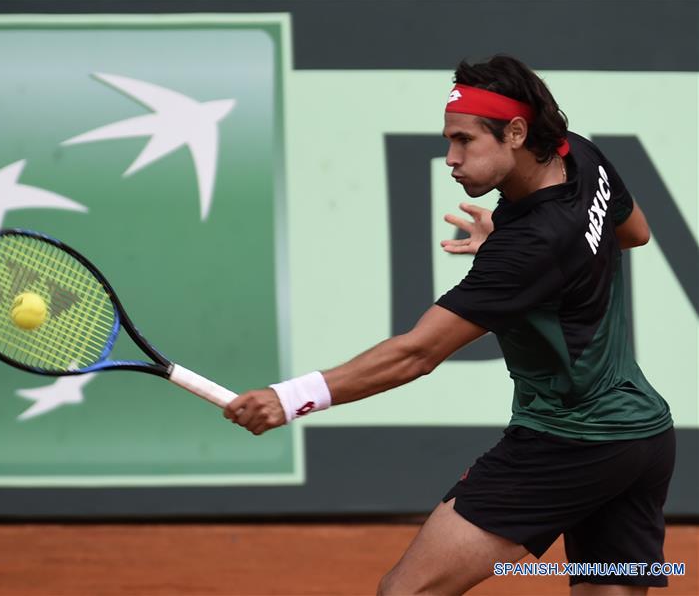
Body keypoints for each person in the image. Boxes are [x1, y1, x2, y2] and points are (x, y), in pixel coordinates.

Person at [224, 55, 675, 595]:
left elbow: (416, 354)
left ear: (514, 132)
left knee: (407, 592)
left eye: (465, 141)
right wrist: (546, 276)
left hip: (567, 442)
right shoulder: (580, 154)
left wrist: (290, 398)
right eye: (448, 140)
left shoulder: (528, 248)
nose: (450, 159)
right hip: (641, 436)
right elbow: (634, 232)